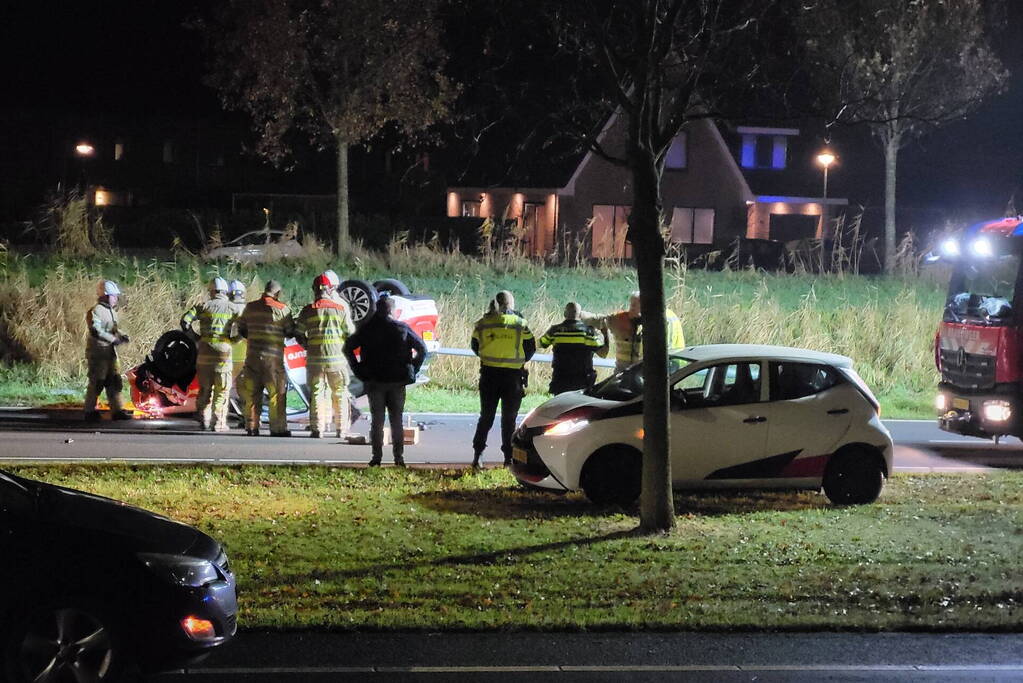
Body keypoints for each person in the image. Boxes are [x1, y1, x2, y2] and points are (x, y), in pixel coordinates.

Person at [343, 295, 427, 467]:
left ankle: (376, 458)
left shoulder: (367, 329)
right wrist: (412, 369)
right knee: (397, 420)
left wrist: (358, 369)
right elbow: (422, 349)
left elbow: (348, 348)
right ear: (392, 310)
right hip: (397, 380)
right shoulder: (401, 328)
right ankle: (399, 458)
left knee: (377, 420)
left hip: (374, 380)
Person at [470, 290, 534, 468]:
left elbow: (475, 346)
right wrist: (517, 360)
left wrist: (491, 357)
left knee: (486, 417)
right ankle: (508, 459)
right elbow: (531, 348)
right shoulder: (520, 324)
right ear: (512, 304)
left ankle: (478, 455)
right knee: (509, 420)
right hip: (512, 377)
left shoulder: (483, 323)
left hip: (489, 375)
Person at [296, 274, 355, 438]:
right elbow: (350, 333)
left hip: (315, 361)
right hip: (337, 361)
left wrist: (307, 345)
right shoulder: (340, 309)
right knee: (340, 393)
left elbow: (298, 333)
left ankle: (317, 429)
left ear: (315, 289)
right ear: (330, 290)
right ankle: (341, 429)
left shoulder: (308, 310)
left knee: (316, 393)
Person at [180, 277, 241, 431]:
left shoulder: (203, 306)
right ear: (225, 291)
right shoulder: (233, 308)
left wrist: (195, 338)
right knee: (222, 389)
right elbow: (245, 327)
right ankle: (218, 423)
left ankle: (204, 419)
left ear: (212, 291)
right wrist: (235, 340)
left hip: (204, 352)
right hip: (223, 352)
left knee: (205, 388)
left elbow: (185, 321)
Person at [237, 280, 295, 437]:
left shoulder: (250, 307)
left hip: (252, 358)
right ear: (277, 293)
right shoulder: (283, 309)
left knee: (252, 394)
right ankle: (277, 429)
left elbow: (242, 329)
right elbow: (290, 332)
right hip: (273, 361)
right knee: (276, 394)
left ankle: (251, 427)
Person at [583, 292, 685, 371]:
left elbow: (657, 352)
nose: (630, 310)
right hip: (670, 368)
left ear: (644, 307)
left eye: (633, 306)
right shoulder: (663, 315)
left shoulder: (660, 322)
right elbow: (601, 320)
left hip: (665, 367)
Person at [84, 280, 132, 422]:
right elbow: (96, 330)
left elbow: (113, 329)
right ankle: (89, 411)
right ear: (105, 296)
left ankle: (117, 410)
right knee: (97, 381)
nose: (116, 298)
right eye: (113, 296)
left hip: (110, 354)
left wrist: (121, 335)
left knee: (114, 381)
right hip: (98, 353)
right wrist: (113, 339)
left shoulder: (112, 312)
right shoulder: (96, 311)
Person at [539, 302, 608, 394]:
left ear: (565, 314)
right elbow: (603, 353)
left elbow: (541, 343)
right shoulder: (588, 333)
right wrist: (605, 334)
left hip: (560, 381)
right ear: (580, 315)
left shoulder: (555, 331)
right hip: (582, 382)